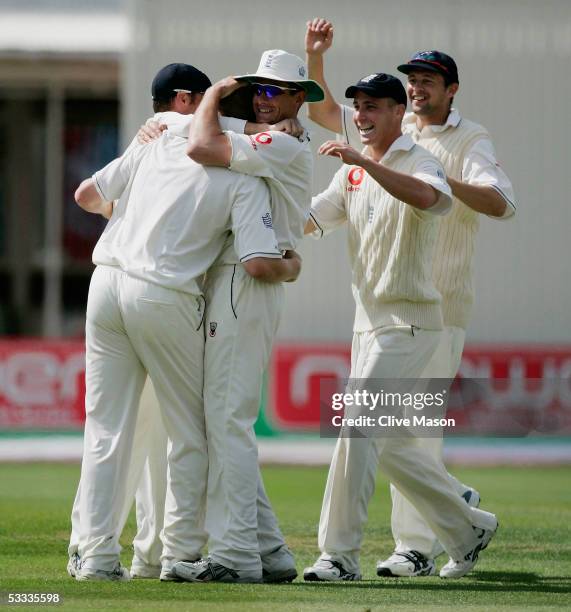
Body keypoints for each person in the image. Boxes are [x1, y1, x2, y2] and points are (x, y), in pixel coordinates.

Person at [70, 63, 301, 581]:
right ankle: (178, 555)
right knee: (193, 434)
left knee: (106, 430)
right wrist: (294, 263)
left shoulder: (158, 133)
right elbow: (259, 261)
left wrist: (142, 220)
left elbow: (86, 195)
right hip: (165, 294)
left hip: (105, 282)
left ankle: (95, 557)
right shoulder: (247, 172)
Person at [305, 18, 515, 578]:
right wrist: (318, 62)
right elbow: (327, 122)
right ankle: (462, 523)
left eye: (430, 79)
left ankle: (360, 552)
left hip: (431, 312)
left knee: (374, 424)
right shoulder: (380, 140)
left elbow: (481, 201)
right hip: (371, 315)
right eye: (413, 77)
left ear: (450, 90)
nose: (420, 86)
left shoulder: (454, 145)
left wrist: (394, 169)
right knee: (392, 436)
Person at [169, 49, 326, 583]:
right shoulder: (277, 141)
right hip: (243, 280)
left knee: (229, 423)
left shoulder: (279, 144)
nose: (263, 98)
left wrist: (212, 92)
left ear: (298, 98)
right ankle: (271, 551)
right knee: (225, 423)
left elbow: (200, 145)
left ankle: (236, 556)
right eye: (258, 89)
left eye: (276, 90)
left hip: (246, 278)